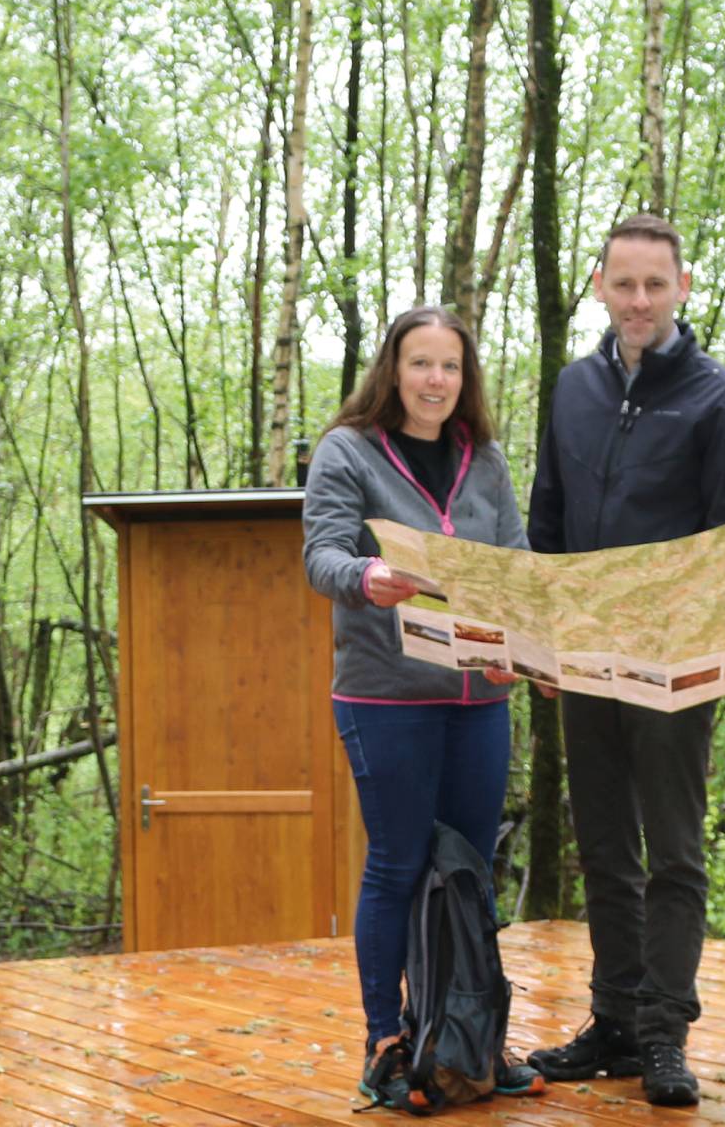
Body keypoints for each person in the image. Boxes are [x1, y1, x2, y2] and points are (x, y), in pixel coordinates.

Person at [523, 213, 725, 1107]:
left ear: (682, 289)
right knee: (603, 848)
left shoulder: (723, 399)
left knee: (674, 852)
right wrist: (537, 637)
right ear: (599, 285)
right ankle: (615, 1023)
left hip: (677, 662)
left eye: (654, 285)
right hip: (582, 656)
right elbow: (547, 520)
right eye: (623, 283)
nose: (638, 300)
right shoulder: (572, 389)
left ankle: (665, 1032)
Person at [301, 305, 544, 1110]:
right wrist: (366, 578)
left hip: (479, 697)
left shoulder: (487, 460)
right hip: (387, 693)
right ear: (392, 371)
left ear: (464, 377)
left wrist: (539, 649)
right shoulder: (350, 451)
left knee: (470, 873)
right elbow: (322, 553)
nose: (436, 381)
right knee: (401, 863)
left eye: (449, 366)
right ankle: (388, 1040)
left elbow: (515, 567)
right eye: (420, 364)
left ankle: (464, 1039)